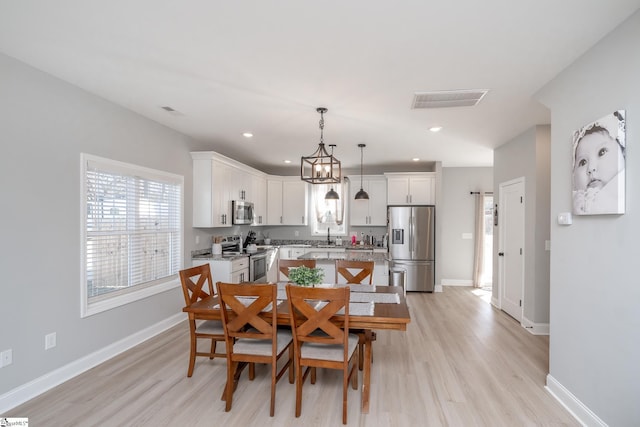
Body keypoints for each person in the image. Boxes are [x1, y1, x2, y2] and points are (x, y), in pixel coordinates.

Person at [572, 112, 625, 214]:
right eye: (583, 162)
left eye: (602, 152)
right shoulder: (576, 200)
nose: (591, 168)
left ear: (623, 153)